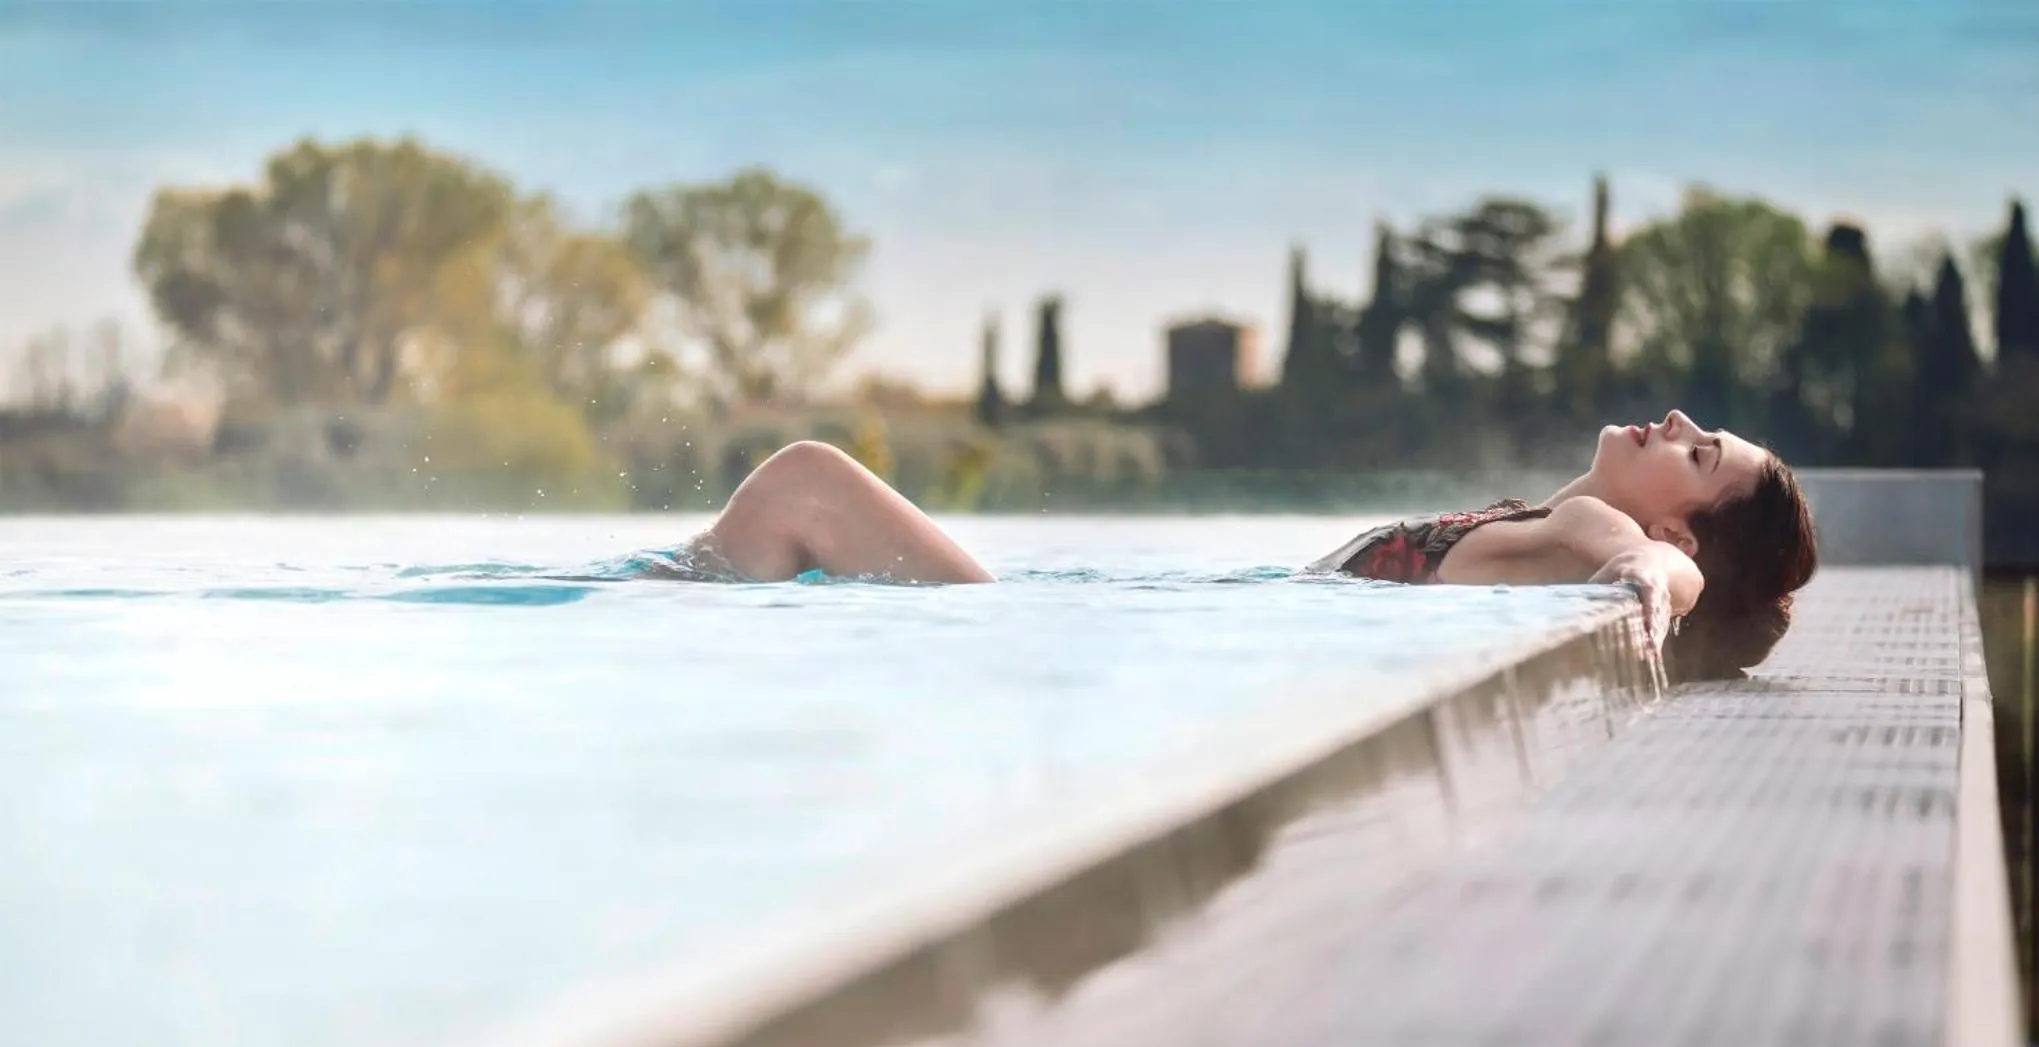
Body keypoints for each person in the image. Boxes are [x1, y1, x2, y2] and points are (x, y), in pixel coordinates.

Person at [664, 410, 1820, 682]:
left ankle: (671, 613)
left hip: (1062, 645)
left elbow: (1658, 568)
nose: (1675, 425)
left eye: (1702, 451)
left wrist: (1653, 585)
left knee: (806, 482)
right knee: (798, 503)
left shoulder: (1583, 535)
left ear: (1675, 525)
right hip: (1112, 630)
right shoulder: (1536, 529)